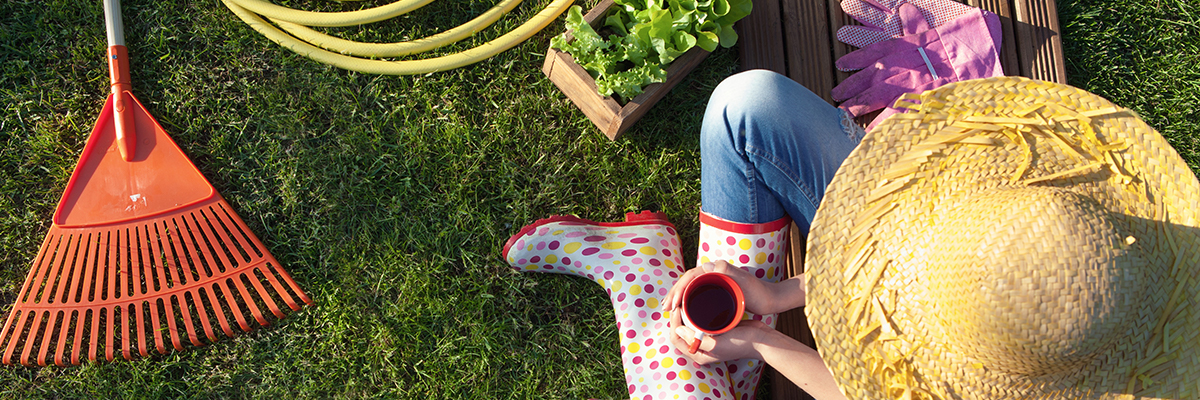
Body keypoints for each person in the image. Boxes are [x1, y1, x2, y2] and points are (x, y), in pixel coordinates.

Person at [662, 69, 860, 400]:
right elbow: (899, 259)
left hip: (889, 356)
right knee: (744, 104)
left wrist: (762, 341)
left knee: (697, 368)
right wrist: (775, 296)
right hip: (907, 241)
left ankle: (728, 381)